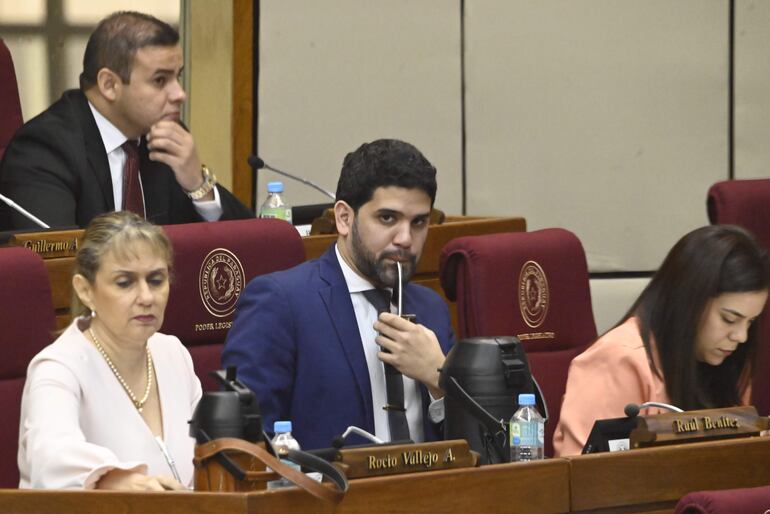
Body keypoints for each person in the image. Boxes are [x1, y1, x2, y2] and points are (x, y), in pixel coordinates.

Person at [222, 139, 455, 449]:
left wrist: (439, 379)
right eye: (387, 218)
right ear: (345, 218)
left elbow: (472, 446)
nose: (405, 239)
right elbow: (245, 441)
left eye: (419, 223)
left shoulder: (431, 310)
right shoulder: (282, 302)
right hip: (328, 493)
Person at [0, 11, 253, 230]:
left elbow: (249, 243)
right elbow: (56, 265)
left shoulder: (163, 138)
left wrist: (198, 185)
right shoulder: (45, 148)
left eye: (178, 77)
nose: (179, 94)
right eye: (160, 81)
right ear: (109, 85)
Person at [18, 211, 201, 489]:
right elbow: (50, 458)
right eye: (125, 283)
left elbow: (210, 455)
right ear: (85, 290)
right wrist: (117, 481)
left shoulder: (173, 354)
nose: (146, 297)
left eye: (156, 280)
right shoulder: (58, 368)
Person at [554, 225, 770, 456]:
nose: (740, 336)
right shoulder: (619, 360)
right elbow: (585, 476)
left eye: (750, 322)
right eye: (729, 319)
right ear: (689, 303)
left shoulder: (729, 358)